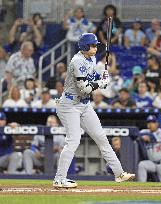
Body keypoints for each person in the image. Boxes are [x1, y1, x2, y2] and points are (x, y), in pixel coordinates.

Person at [53, 33, 135, 188]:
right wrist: (100, 83)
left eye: (96, 45)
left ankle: (119, 173)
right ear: (85, 47)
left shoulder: (91, 59)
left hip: (84, 105)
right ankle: (59, 179)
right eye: (93, 45)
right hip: (69, 105)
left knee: (101, 137)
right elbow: (84, 88)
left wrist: (101, 77)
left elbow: (91, 78)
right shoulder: (77, 61)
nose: (95, 48)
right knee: (73, 140)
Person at [137, 115, 161, 182]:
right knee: (142, 165)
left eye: (153, 122)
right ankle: (141, 186)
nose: (150, 124)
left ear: (157, 123)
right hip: (152, 163)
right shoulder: (144, 131)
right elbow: (135, 133)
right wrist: (141, 136)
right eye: (149, 122)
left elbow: (152, 138)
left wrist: (143, 136)